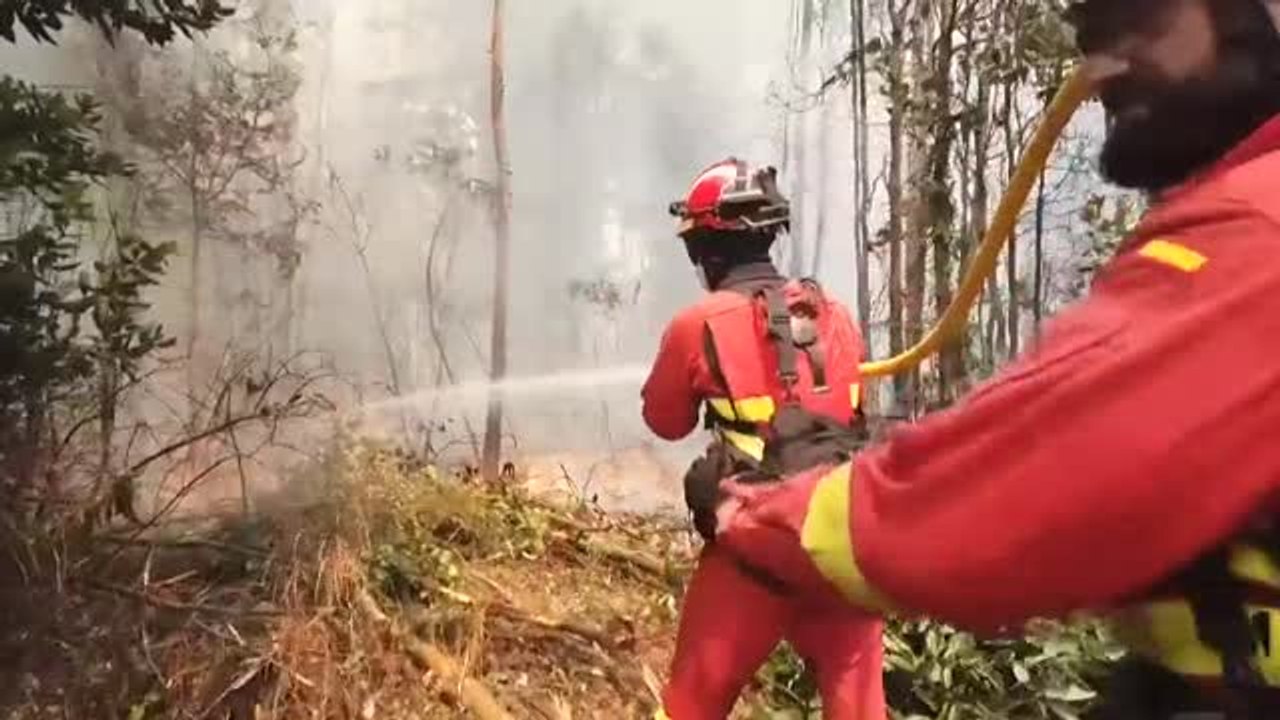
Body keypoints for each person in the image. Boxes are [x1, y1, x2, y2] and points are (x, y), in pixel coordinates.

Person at [699, 0, 1280, 718]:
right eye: (1091, 38)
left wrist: (760, 515)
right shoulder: (833, 315)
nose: (1100, 70)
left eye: (1141, 19)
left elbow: (1037, 488)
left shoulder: (1252, 234)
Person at [640, 158, 885, 720]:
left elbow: (665, 421)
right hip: (843, 545)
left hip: (758, 551)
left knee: (690, 706)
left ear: (706, 249)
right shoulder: (835, 316)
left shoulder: (698, 324)